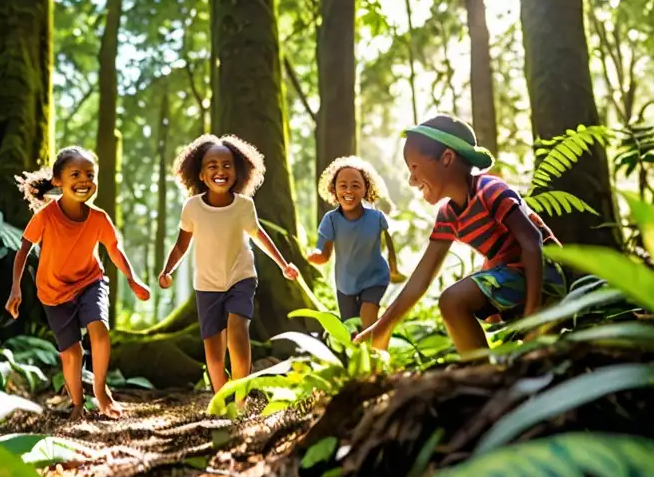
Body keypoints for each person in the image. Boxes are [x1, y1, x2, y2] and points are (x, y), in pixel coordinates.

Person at [355, 115, 566, 354]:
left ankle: (489, 370)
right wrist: (382, 326)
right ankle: (484, 376)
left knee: (453, 300)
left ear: (446, 158)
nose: (411, 180)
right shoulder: (448, 216)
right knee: (457, 304)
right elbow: (421, 279)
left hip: (544, 273)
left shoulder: (490, 190)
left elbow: (532, 240)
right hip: (513, 277)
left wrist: (533, 312)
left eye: (414, 167)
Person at [5, 146, 150, 420]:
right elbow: (23, 250)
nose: (84, 180)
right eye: (75, 174)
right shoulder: (46, 216)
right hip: (53, 292)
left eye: (89, 174)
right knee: (71, 353)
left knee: (100, 330)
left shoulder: (98, 218)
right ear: (59, 181)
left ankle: (101, 390)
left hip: (90, 281)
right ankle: (77, 404)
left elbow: (114, 250)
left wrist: (133, 280)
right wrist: (15, 287)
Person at [158, 134, 299, 395]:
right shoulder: (192, 207)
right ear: (200, 174)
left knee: (237, 329)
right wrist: (168, 270)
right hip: (207, 284)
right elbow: (181, 245)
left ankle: (242, 399)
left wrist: (283, 264)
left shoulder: (244, 206)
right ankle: (223, 400)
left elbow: (259, 236)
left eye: (227, 165)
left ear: (238, 172)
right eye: (212, 165)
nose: (220, 171)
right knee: (213, 351)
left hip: (241, 276)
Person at [307, 156, 405, 331]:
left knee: (368, 319)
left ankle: (374, 355)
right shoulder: (331, 220)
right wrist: (315, 255)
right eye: (343, 186)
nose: (349, 191)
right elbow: (324, 252)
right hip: (345, 284)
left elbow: (389, 243)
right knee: (351, 328)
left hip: (375, 278)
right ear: (334, 189)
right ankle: (358, 356)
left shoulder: (376, 218)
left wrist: (394, 267)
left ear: (366, 188)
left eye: (356, 185)